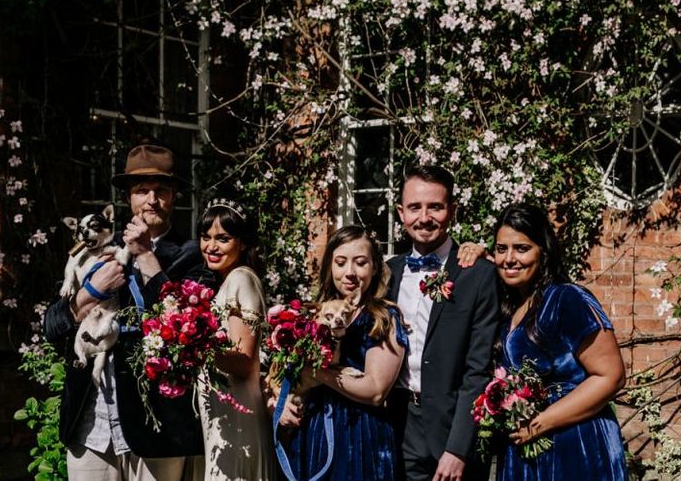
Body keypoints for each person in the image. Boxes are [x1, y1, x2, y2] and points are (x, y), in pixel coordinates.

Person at [44, 143, 210, 480]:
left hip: (156, 428)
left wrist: (147, 256)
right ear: (129, 199)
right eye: (141, 190)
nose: (151, 199)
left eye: (161, 189)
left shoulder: (193, 256)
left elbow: (182, 328)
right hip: (90, 422)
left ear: (173, 195)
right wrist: (90, 292)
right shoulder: (100, 247)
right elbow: (53, 327)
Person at [491, 203, 627, 480]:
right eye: (501, 249)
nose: (509, 258)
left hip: (576, 444)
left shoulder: (567, 299)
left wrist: (541, 423)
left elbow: (610, 376)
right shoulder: (510, 307)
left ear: (544, 251)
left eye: (522, 248)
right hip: (527, 448)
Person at [387, 164, 499, 481]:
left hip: (452, 430)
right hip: (397, 425)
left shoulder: (477, 273)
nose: (424, 218)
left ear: (452, 210)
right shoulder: (387, 273)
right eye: (414, 207)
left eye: (435, 206)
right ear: (400, 212)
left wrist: (459, 449)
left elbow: (478, 369)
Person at [279, 224, 409, 481]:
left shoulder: (381, 318)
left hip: (359, 434)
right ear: (330, 266)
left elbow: (375, 391)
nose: (349, 272)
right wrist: (280, 400)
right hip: (314, 429)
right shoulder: (315, 314)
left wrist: (319, 374)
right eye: (340, 262)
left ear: (374, 267)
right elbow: (290, 375)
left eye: (360, 263)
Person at [193, 198, 275, 481]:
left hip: (238, 413)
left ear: (241, 243)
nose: (211, 247)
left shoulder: (241, 278)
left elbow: (243, 362)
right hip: (222, 409)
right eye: (206, 237)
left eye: (223, 238)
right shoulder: (226, 281)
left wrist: (192, 348)